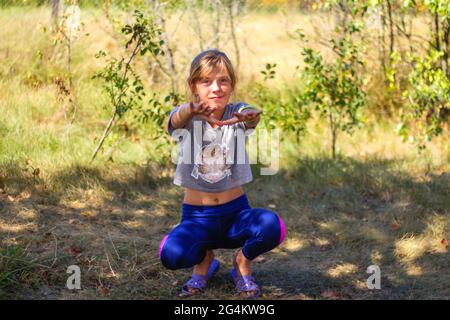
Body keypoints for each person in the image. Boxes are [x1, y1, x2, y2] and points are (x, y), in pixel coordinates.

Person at [159, 49, 286, 298]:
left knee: (273, 226)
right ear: (193, 86)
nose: (216, 87)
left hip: (235, 214)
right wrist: (191, 109)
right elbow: (174, 119)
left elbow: (251, 115)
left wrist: (250, 114)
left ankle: (241, 263)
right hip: (197, 218)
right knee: (171, 254)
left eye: (223, 80)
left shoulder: (236, 113)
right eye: (206, 81)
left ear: (231, 85)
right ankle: (205, 259)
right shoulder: (187, 117)